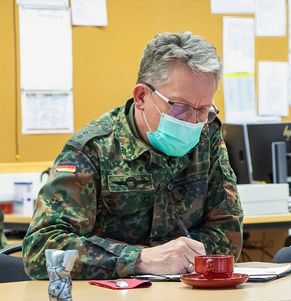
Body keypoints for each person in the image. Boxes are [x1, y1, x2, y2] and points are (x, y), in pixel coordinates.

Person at [22, 31, 243, 280]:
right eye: (181, 108)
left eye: (203, 110)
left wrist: (184, 258)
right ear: (141, 97)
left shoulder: (207, 135)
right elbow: (42, 249)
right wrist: (139, 259)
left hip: (184, 293)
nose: (194, 122)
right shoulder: (93, 149)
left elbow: (228, 233)